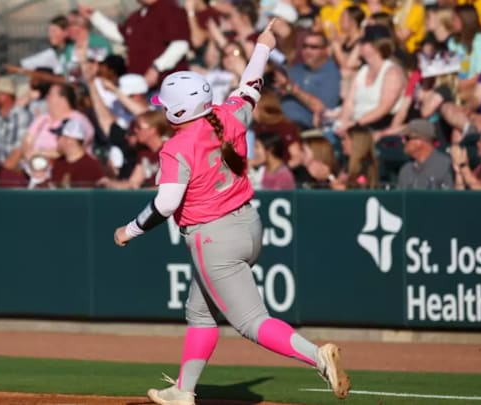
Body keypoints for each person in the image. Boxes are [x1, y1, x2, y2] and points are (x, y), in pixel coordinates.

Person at [111, 21, 350, 405]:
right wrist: (264, 45)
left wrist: (130, 230)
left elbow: (166, 204)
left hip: (213, 237)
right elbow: (251, 85)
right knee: (200, 313)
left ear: (177, 110)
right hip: (248, 225)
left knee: (252, 322)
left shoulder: (176, 149)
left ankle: (316, 357)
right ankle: (183, 390)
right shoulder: (229, 115)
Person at [397, 118, 454, 189]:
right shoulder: (406, 171)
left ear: (421, 141)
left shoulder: (446, 166)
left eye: (407, 138)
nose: (403, 141)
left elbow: (451, 198)